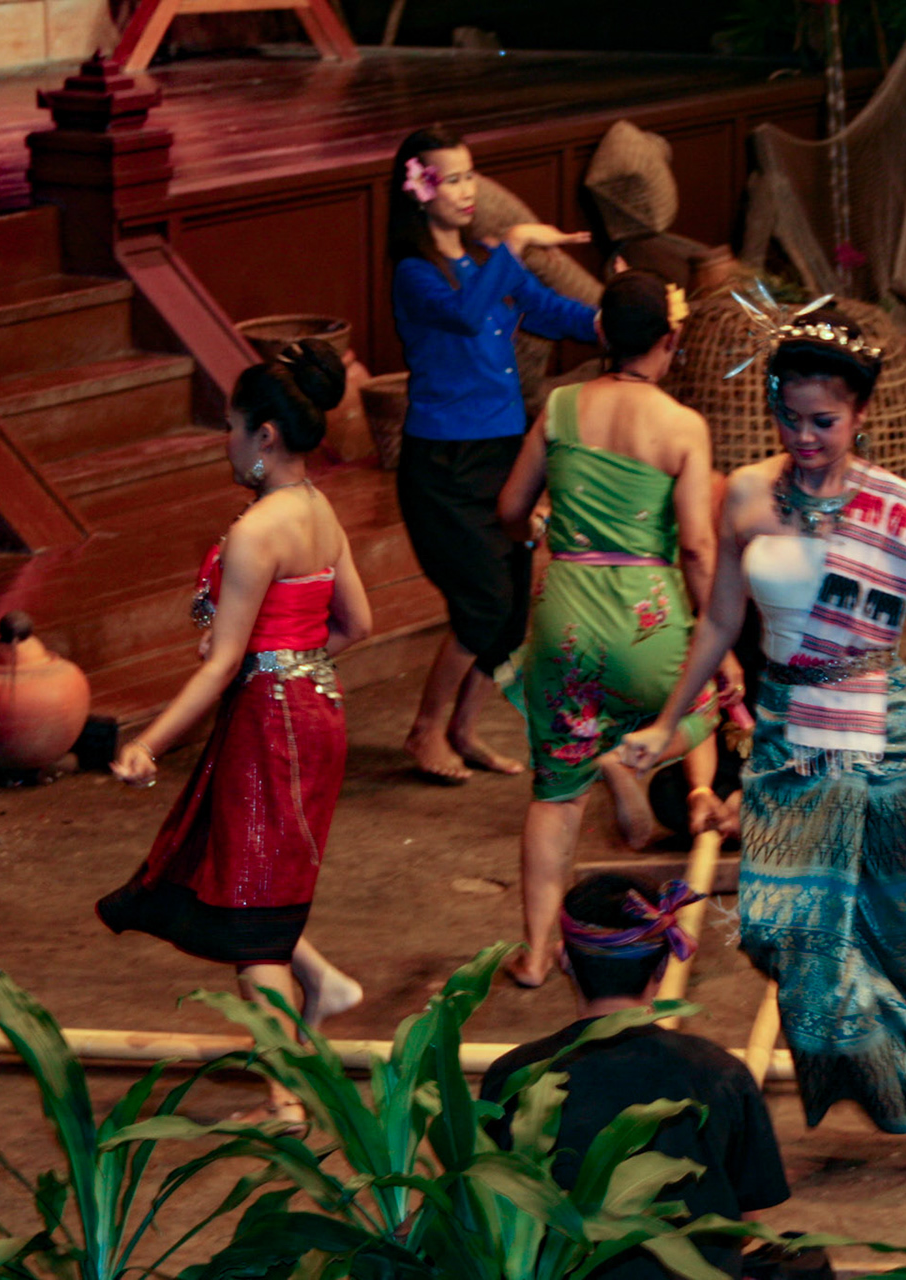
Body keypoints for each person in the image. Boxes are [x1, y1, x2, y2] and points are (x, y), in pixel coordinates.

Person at [619, 308, 906, 1165]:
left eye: (823, 421)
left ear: (861, 413)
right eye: (788, 417)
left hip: (883, 736)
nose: (803, 436)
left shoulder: (899, 512)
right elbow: (718, 620)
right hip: (788, 733)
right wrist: (668, 721)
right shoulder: (746, 493)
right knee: (781, 931)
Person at [99, 340, 371, 1126]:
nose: (225, 440)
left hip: (271, 725)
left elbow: (220, 665)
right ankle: (320, 981)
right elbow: (357, 623)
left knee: (252, 910)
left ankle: (285, 1096)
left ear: (265, 435)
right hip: (315, 711)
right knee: (251, 869)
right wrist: (294, 662)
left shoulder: (260, 531)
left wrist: (147, 742)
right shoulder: (319, 510)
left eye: (231, 426)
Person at [495, 270, 731, 987]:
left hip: (565, 610)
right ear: (671, 339)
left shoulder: (561, 407)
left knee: (554, 791)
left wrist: (546, 535)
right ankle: (632, 762)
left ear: (600, 332)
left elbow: (510, 510)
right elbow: (697, 548)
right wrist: (715, 636)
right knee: (699, 705)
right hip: (645, 611)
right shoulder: (683, 426)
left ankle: (537, 953)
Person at [388, 125, 600, 781]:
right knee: (481, 603)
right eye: (451, 179)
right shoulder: (415, 273)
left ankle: (463, 729)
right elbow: (463, 314)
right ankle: (425, 731)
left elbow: (549, 309)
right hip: (445, 467)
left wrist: (620, 321)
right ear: (419, 190)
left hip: (504, 454)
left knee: (510, 610)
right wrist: (515, 244)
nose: (466, 189)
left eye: (469, 176)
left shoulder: (486, 263)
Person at [480, 873, 789, 1278]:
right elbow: (745, 1221)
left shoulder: (515, 1075)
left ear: (564, 959)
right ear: (663, 964)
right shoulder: (721, 1073)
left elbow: (486, 1210)